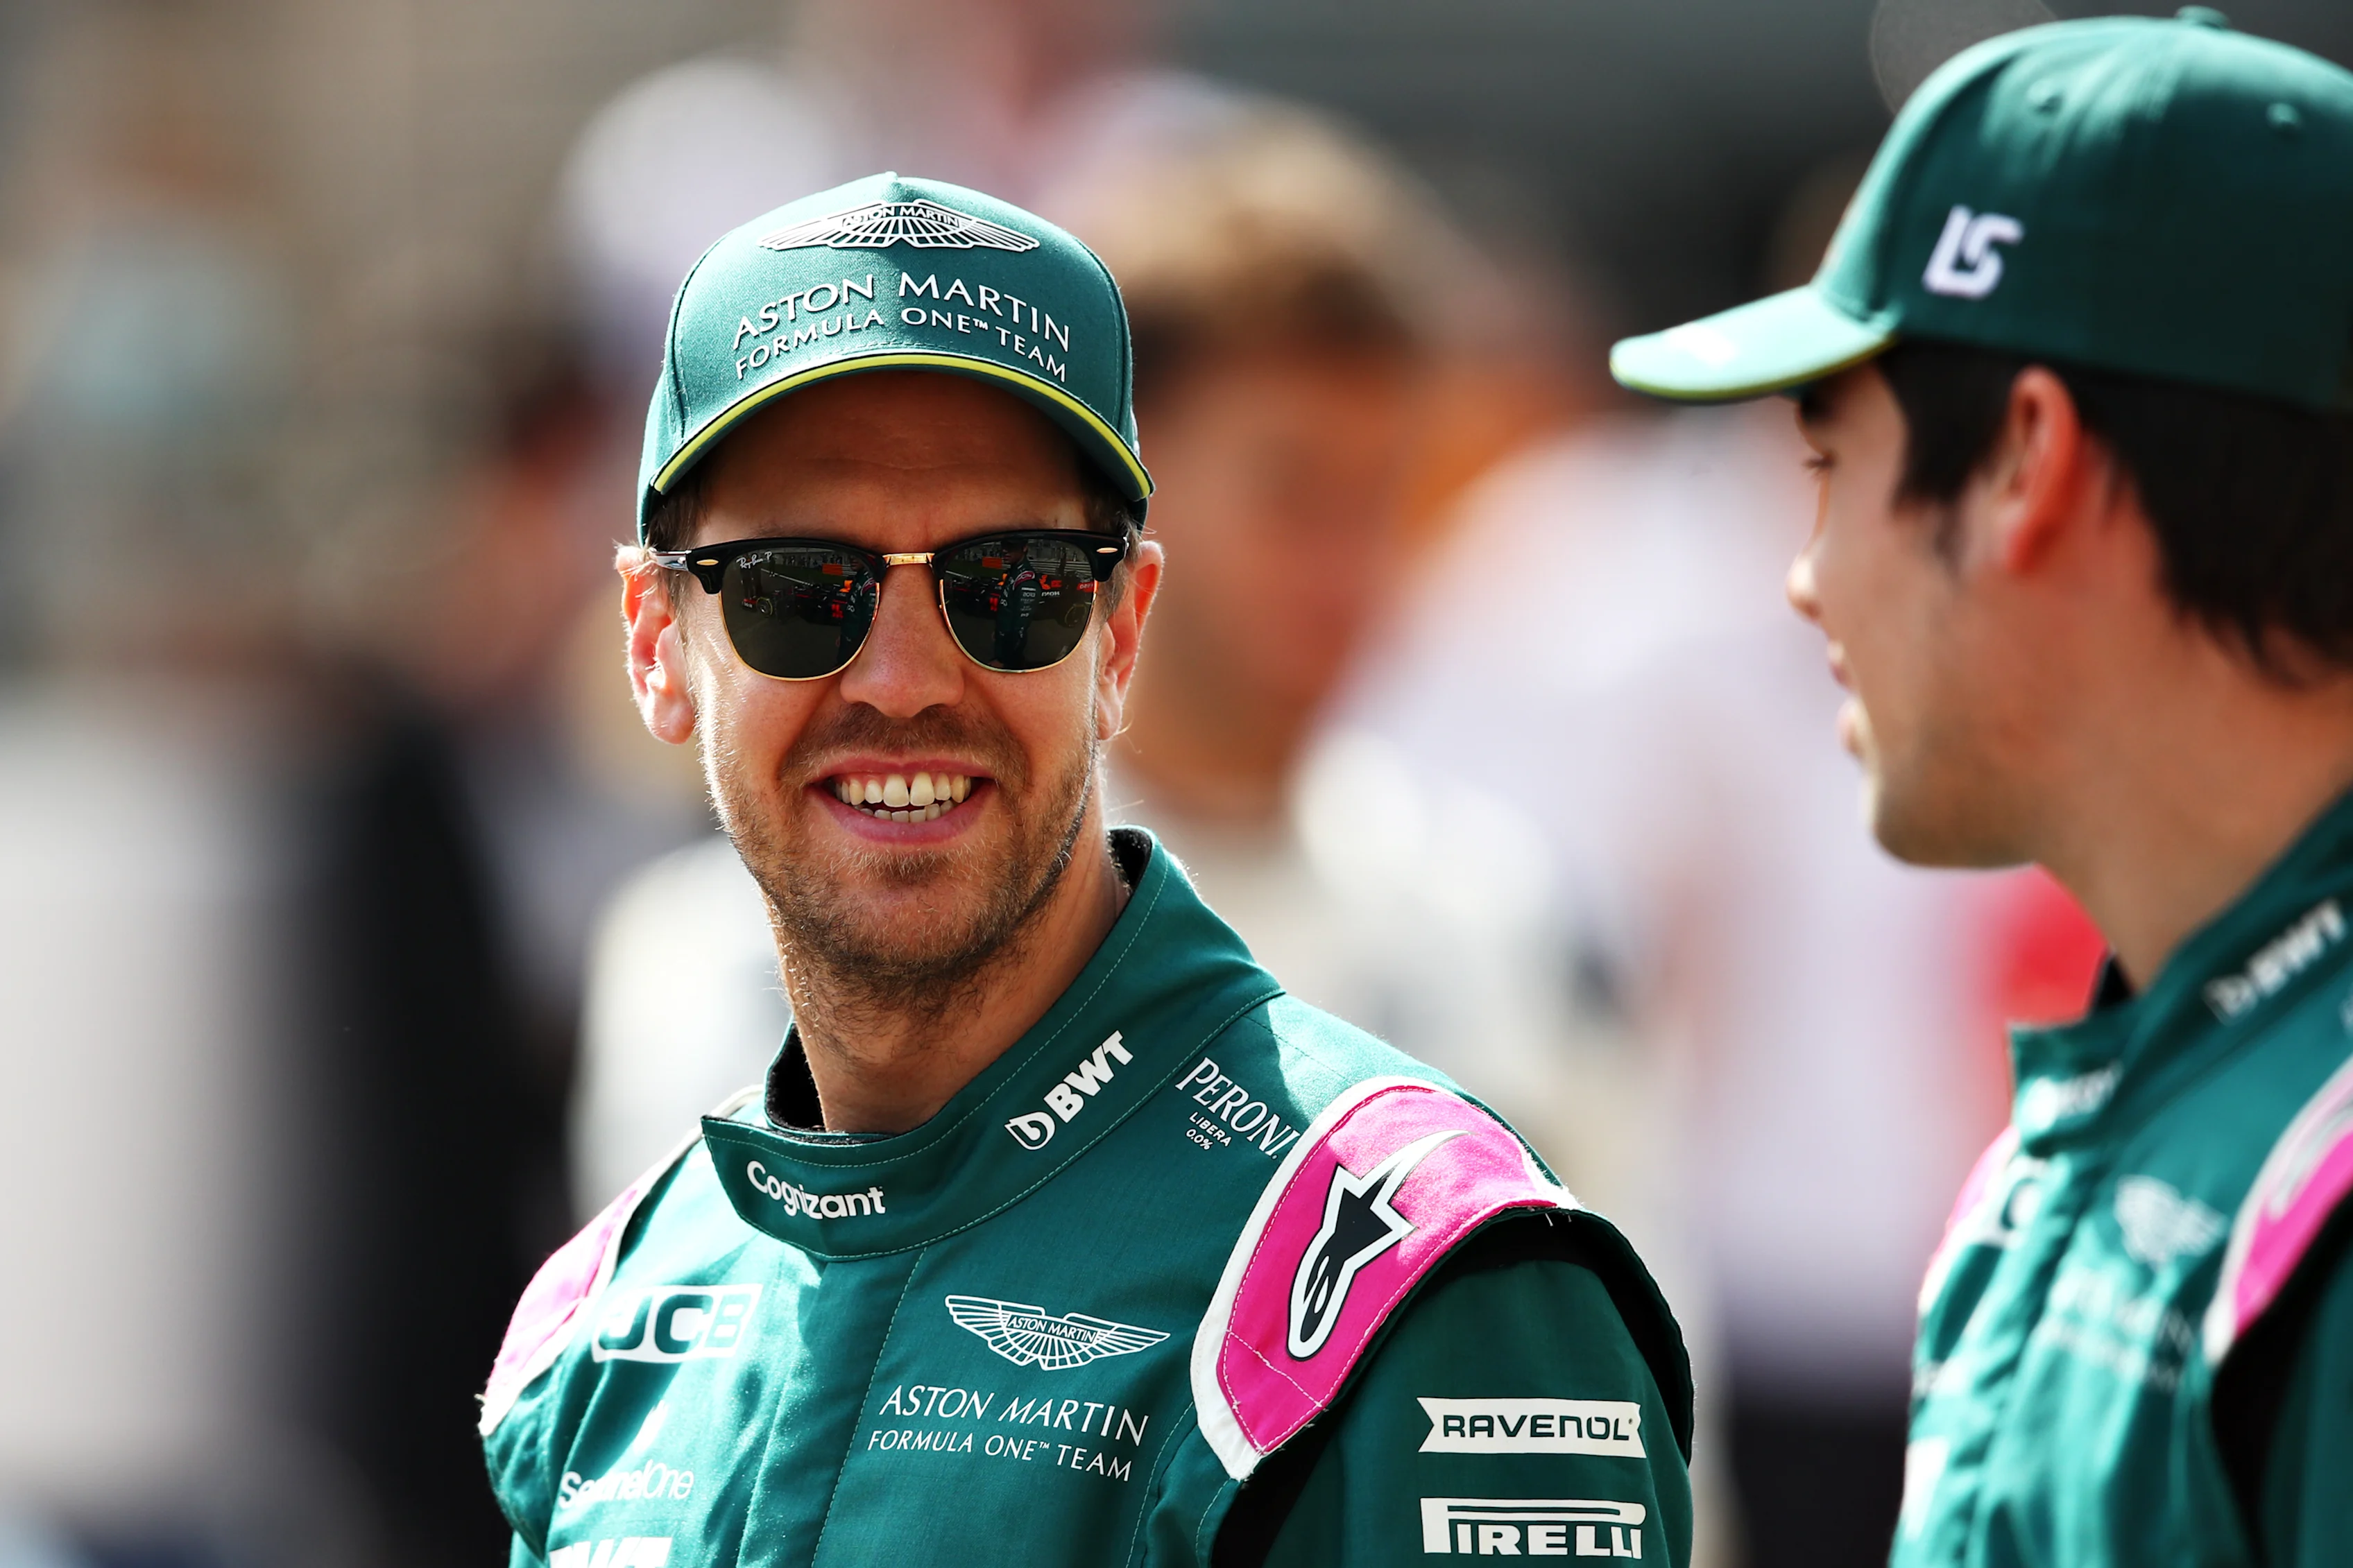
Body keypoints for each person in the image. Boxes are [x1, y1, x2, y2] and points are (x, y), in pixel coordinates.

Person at [479, 172, 1695, 1567]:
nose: (903, 678)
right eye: (797, 585)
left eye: (1013, 582)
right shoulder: (604, 1321)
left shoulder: (1422, 1268)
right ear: (653, 640)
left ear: (1118, 634)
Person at [1610, 11, 2353, 1565]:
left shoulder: (2306, 1169)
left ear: (2025, 460)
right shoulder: (2132, 1097)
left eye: (1826, 466)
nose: (1805, 579)